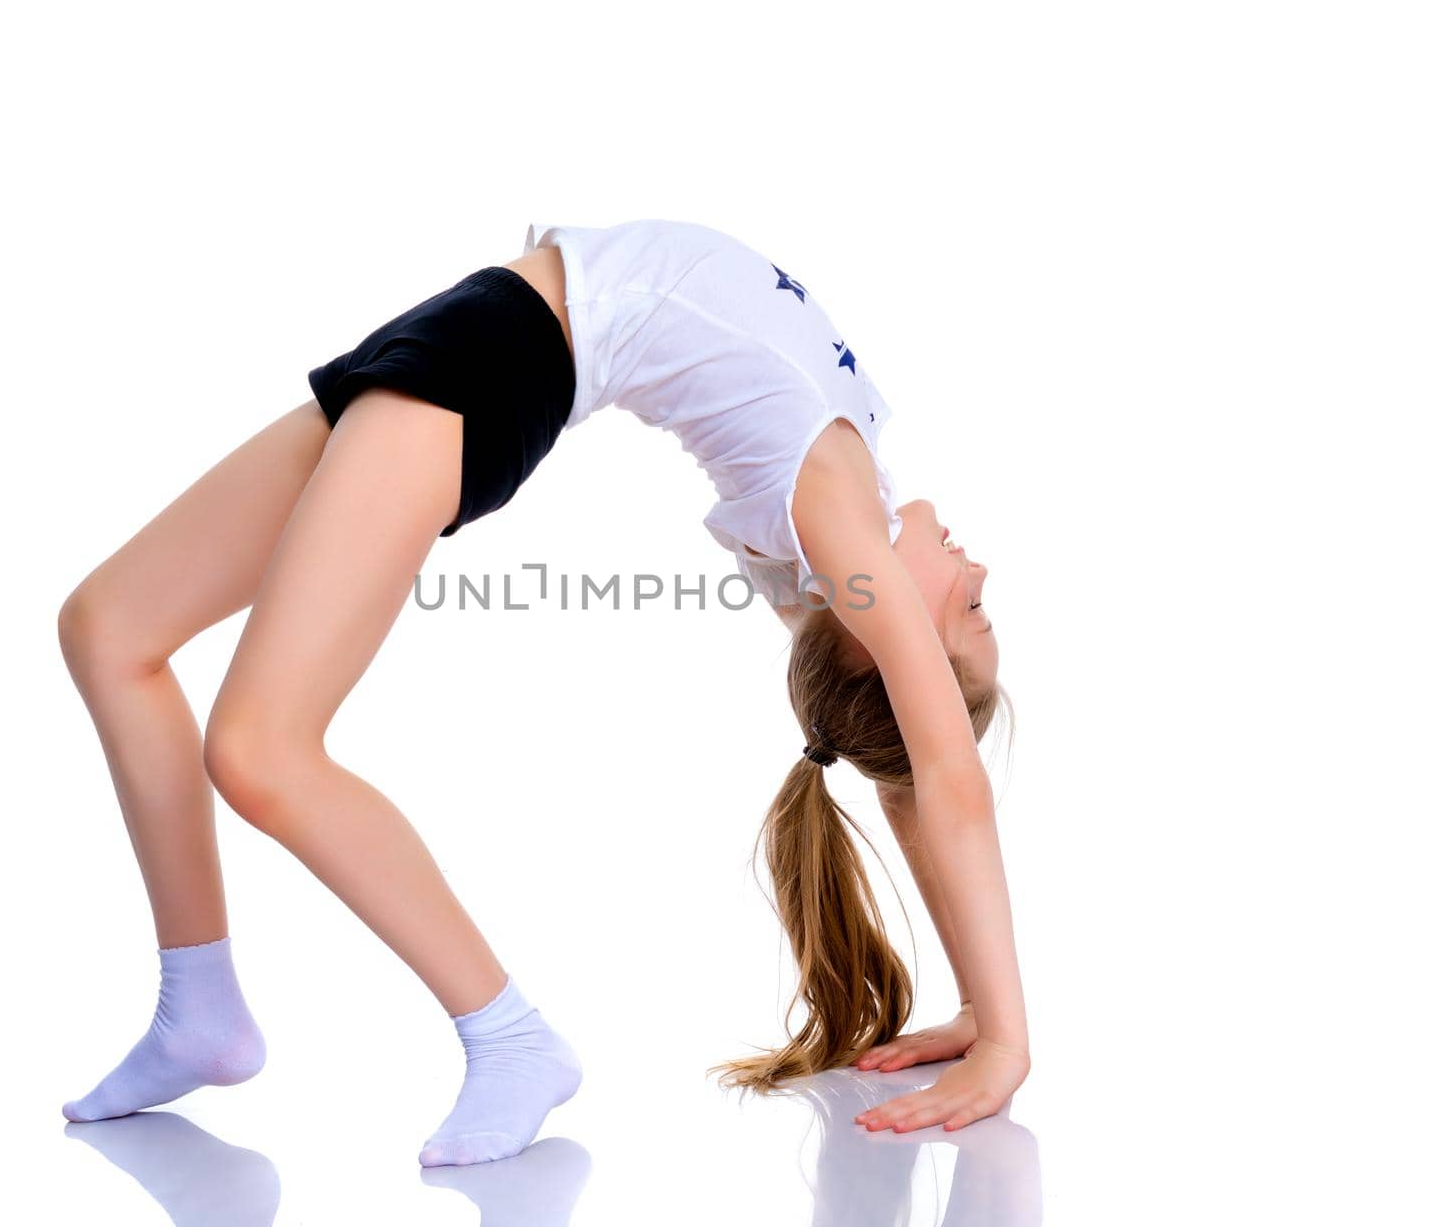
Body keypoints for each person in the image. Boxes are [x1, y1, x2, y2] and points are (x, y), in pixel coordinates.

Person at [55, 217, 1027, 1166]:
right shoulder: (820, 557)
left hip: (487, 364)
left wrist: (1003, 1041)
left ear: (885, 644)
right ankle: (200, 1003)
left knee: (260, 749)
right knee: (108, 627)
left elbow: (943, 779)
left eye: (971, 614)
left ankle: (509, 1035)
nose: (978, 572)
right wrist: (974, 1003)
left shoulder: (842, 534)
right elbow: (906, 778)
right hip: (464, 328)